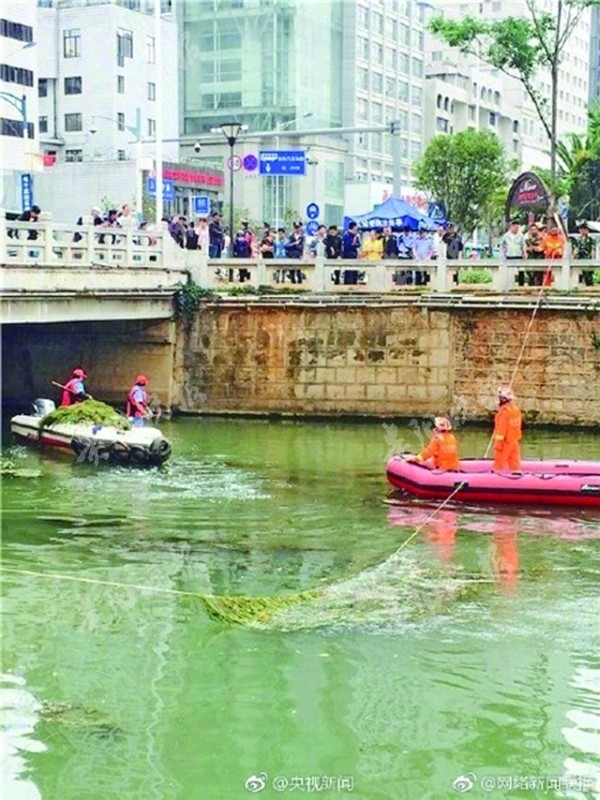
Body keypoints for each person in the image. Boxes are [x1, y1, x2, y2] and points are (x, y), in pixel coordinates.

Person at [493, 385, 522, 472]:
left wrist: (498, 445)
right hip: (514, 441)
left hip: (505, 442)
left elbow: (501, 431)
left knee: (499, 464)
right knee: (515, 463)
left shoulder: (505, 413)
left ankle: (496, 480)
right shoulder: (515, 410)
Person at [573, 221, 595, 286]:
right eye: (581, 229)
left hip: (588, 259)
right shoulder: (578, 240)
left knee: (588, 276)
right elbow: (575, 249)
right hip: (578, 259)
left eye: (584, 229)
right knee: (579, 276)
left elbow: (593, 250)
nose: (583, 231)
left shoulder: (591, 240)